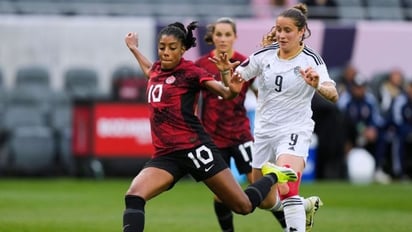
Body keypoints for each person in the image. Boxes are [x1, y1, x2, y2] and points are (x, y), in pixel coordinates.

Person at [122, 21, 298, 232]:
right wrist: (134, 49)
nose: (166, 52)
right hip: (166, 155)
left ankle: (273, 175)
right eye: (162, 47)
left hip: (196, 150)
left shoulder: (191, 71)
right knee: (134, 196)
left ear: (183, 50)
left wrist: (225, 74)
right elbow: (149, 70)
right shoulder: (157, 70)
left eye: (172, 48)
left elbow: (226, 93)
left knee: (243, 206)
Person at [215, 4, 339, 232]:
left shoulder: (311, 59)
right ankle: (304, 206)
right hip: (263, 133)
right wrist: (225, 72)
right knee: (265, 201)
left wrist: (317, 85)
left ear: (302, 32)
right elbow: (232, 88)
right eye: (279, 29)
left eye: (288, 30)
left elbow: (333, 94)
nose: (281, 35)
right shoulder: (264, 55)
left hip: (294, 130)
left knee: (287, 186)